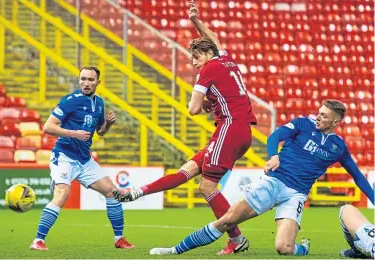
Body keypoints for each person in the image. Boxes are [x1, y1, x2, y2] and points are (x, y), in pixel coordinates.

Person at [113, 0, 257, 255]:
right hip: (240, 130)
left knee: (207, 187)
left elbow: (192, 109)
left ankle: (236, 239)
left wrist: (201, 103)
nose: (193, 63)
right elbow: (213, 38)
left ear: (207, 55)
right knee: (188, 169)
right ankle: (137, 192)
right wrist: (195, 21)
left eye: (196, 57)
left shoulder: (209, 68)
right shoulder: (226, 60)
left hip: (230, 127)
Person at [149, 100, 375, 256]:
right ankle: (175, 250)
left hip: (296, 195)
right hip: (274, 182)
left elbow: (357, 177)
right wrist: (274, 156)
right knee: (227, 221)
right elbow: (274, 137)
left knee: (284, 248)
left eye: (324, 115)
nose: (318, 116)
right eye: (319, 111)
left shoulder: (339, 147)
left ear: (336, 122)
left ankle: (302, 248)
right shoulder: (303, 123)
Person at [30, 66, 135, 250]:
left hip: (85, 160)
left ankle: (119, 239)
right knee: (62, 193)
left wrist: (108, 124)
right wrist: (74, 133)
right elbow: (48, 127)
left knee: (112, 192)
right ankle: (38, 240)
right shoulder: (70, 101)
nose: (86, 83)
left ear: (98, 83)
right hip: (64, 156)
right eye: (83, 79)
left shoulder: (99, 103)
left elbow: (100, 132)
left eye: (90, 80)